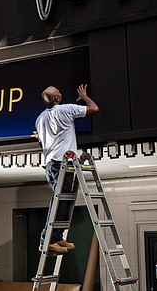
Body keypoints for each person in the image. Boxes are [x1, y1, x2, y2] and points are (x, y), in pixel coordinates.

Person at [35, 84, 99, 254]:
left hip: (50, 165)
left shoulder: (40, 118)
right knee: (60, 202)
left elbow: (42, 141)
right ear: (57, 98)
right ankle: (46, 239)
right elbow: (94, 109)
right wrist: (84, 96)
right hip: (62, 164)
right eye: (59, 92)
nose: (61, 93)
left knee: (64, 201)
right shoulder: (65, 109)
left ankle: (56, 237)